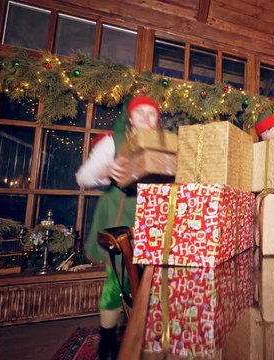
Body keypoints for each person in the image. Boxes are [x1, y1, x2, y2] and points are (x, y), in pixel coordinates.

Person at [76, 95, 161, 360]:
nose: (147, 119)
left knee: (154, 280)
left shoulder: (164, 144)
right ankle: (108, 338)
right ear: (131, 118)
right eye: (141, 113)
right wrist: (106, 171)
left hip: (156, 218)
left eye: (152, 114)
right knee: (119, 280)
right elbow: (83, 177)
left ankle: (151, 333)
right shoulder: (114, 142)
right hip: (120, 216)